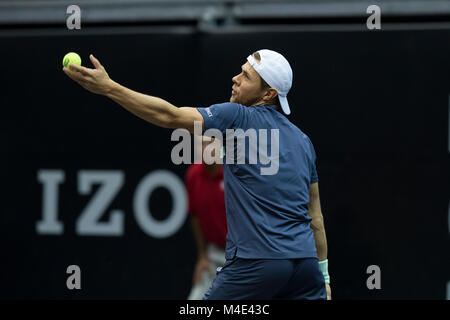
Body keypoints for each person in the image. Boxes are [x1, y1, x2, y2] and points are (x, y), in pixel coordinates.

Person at [63, 49, 332, 300]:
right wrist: (324, 277)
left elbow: (169, 116)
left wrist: (109, 88)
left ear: (267, 94)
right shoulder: (303, 141)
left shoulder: (237, 116)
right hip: (305, 268)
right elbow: (315, 216)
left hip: (257, 264)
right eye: (240, 71)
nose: (235, 78)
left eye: (246, 76)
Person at [185, 136, 227, 300]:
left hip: (243, 255)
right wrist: (202, 255)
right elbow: (195, 216)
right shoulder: (193, 175)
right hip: (213, 254)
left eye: (209, 143)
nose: (205, 148)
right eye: (201, 144)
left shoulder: (235, 174)